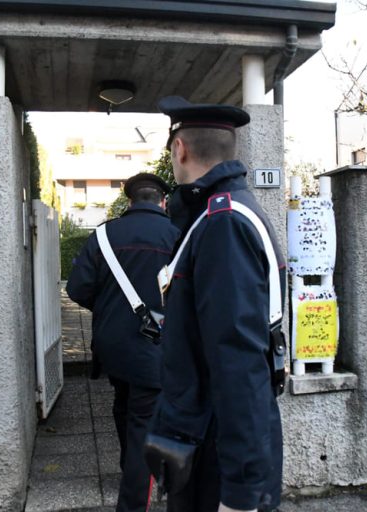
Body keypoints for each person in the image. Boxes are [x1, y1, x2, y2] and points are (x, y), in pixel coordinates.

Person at [148, 96, 285, 512]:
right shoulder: (220, 216)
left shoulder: (222, 223)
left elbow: (238, 363)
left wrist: (241, 494)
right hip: (206, 441)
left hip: (214, 457)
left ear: (179, 148)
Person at [66, 172, 179, 512]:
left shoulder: (102, 236)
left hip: (113, 346)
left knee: (124, 402)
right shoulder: (178, 237)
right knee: (145, 422)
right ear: (163, 201)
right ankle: (133, 493)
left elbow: (77, 288)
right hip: (156, 346)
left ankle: (131, 465)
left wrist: (111, 311)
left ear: (129, 202)